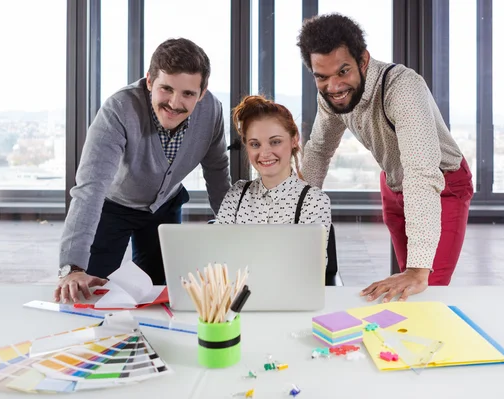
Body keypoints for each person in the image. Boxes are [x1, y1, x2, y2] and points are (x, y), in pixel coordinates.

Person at [296, 13, 474, 302]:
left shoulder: (402, 87)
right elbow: (318, 151)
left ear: (363, 60)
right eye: (322, 76)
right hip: (393, 183)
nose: (334, 86)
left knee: (425, 285)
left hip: (442, 184)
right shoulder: (330, 94)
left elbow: (421, 172)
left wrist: (419, 270)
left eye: (343, 72)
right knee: (406, 285)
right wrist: (293, 218)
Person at [54, 38, 231, 304]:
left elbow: (217, 174)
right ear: (149, 81)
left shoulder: (212, 112)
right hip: (113, 207)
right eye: (166, 89)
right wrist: (73, 267)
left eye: (188, 94)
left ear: (202, 92)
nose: (174, 102)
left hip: (165, 206)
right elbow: (91, 187)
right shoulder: (119, 109)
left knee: (158, 294)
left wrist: (234, 232)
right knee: (90, 295)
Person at [215, 95, 332, 245]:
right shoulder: (237, 194)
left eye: (275, 142)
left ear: (294, 140)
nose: (264, 153)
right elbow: (217, 253)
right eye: (255, 144)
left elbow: (311, 265)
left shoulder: (314, 201)